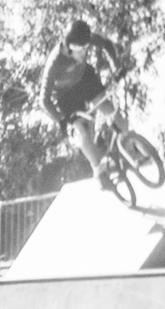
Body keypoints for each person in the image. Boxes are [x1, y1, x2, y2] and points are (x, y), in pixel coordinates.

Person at [43, 18, 128, 187]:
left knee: (111, 111)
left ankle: (131, 148)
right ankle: (99, 170)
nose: (84, 53)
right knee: (82, 131)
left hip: (84, 79)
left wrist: (116, 66)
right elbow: (43, 100)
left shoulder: (83, 39)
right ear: (69, 48)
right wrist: (60, 120)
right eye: (80, 50)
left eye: (86, 48)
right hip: (65, 96)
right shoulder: (54, 63)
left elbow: (106, 44)